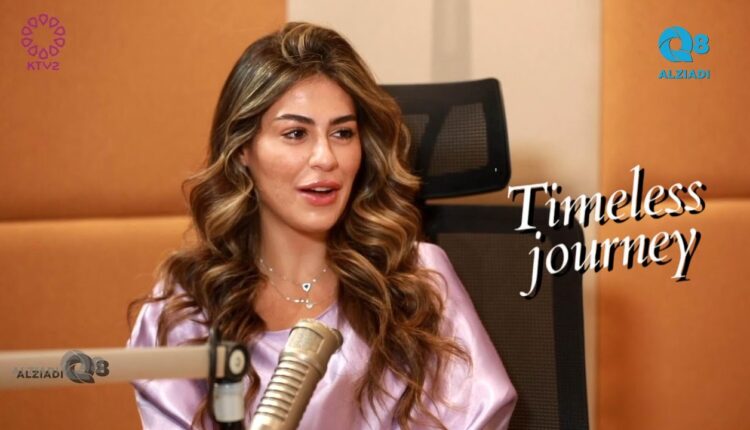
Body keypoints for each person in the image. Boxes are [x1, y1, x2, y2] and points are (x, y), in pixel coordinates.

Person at [126, 22, 516, 429]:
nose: (326, 158)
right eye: (296, 133)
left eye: (343, 133)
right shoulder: (188, 304)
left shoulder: (418, 279)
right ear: (242, 149)